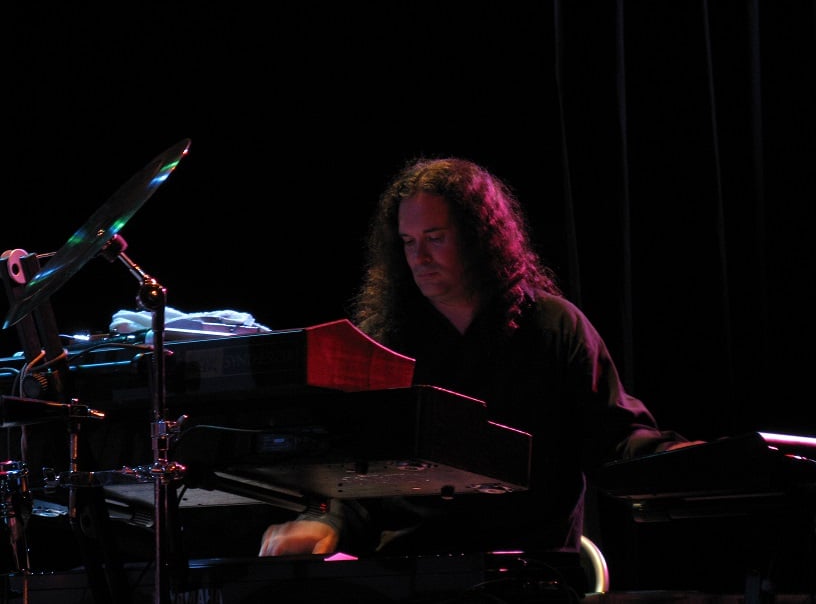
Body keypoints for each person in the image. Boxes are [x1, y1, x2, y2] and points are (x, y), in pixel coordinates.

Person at [258, 156, 700, 565]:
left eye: (435, 238)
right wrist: (327, 522)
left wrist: (677, 458)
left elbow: (616, 436)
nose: (420, 257)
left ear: (478, 236)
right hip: (410, 566)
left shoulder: (552, 326)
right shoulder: (388, 343)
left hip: (525, 568)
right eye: (409, 242)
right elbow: (362, 471)